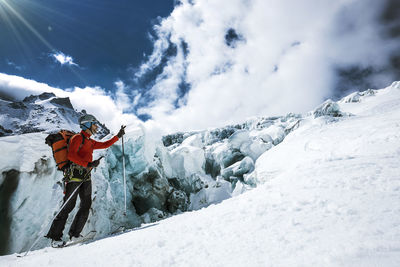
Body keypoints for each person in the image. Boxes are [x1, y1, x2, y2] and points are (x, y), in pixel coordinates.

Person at [45, 114, 125, 247]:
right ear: (87, 124)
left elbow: (105, 144)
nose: (96, 127)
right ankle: (55, 238)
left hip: (85, 176)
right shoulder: (78, 138)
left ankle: (75, 235)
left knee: (85, 205)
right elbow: (71, 155)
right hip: (74, 175)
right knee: (68, 206)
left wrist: (118, 135)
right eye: (94, 124)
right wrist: (88, 164)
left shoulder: (89, 141)